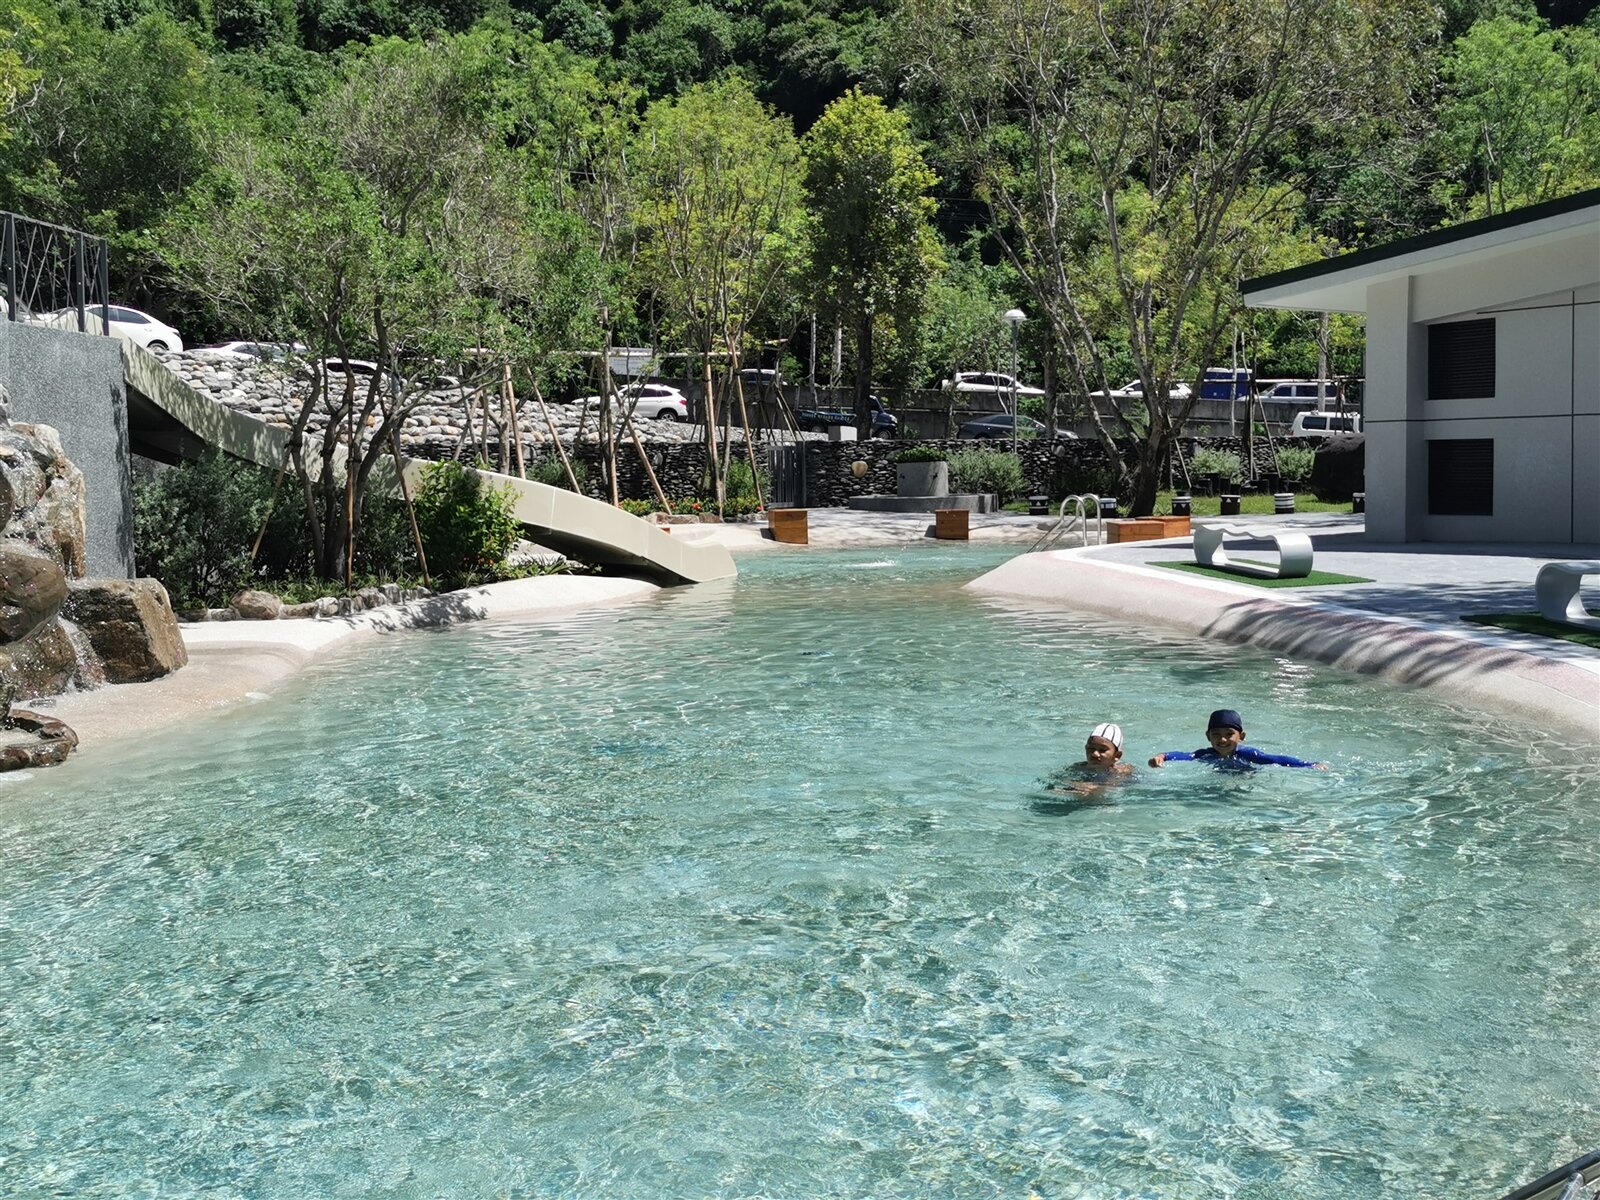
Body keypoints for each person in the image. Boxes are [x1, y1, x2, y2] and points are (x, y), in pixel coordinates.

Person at [1147, 708, 1327, 770]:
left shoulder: (1249, 755)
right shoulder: (1206, 754)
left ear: (1241, 737)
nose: (1223, 740)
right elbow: (1185, 756)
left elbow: (1276, 759)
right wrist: (1163, 756)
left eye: (1229, 734)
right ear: (1208, 736)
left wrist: (1309, 764)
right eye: (1216, 734)